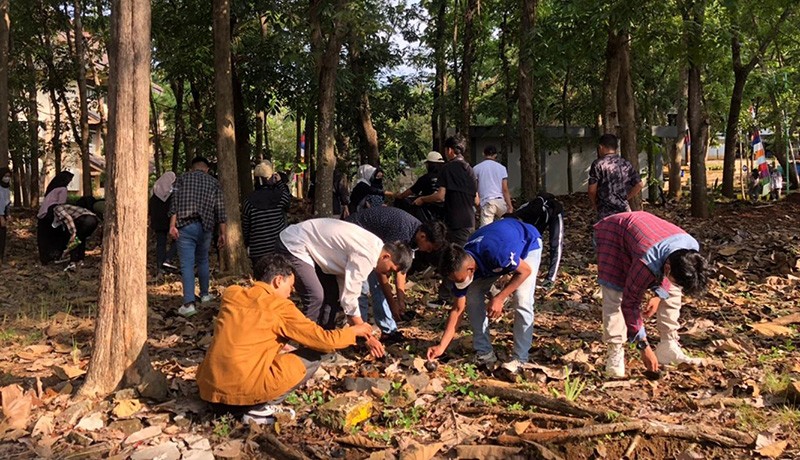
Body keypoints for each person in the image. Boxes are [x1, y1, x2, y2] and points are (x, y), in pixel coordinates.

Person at [196, 254, 384, 425]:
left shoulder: (232, 294)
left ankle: (243, 405)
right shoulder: (280, 306)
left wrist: (280, 345)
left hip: (209, 391)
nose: (292, 292)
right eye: (290, 286)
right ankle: (258, 409)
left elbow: (247, 333)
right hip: (242, 395)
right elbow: (323, 340)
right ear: (278, 281)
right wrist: (354, 331)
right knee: (313, 355)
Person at [594, 211, 709, 379]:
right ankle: (615, 350)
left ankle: (668, 344)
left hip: (647, 235)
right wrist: (643, 347)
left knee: (674, 289)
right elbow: (630, 303)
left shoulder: (690, 250)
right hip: (613, 233)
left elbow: (669, 269)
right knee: (615, 291)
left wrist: (658, 295)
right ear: (668, 268)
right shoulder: (645, 261)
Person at [427, 218, 542, 374]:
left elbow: (525, 271)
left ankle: (520, 359)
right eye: (454, 280)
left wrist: (500, 298)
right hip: (496, 257)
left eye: (460, 280)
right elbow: (457, 309)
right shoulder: (458, 268)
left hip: (527, 243)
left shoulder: (496, 253)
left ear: (470, 269)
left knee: (522, 299)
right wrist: (441, 346)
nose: (458, 283)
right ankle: (484, 353)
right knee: (473, 295)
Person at [276, 218, 413, 337]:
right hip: (295, 243)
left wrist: (356, 324)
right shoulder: (367, 255)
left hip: (311, 249)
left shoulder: (376, 246)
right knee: (315, 296)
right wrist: (364, 332)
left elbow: (345, 290)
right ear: (386, 257)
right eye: (390, 269)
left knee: (332, 294)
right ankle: (306, 345)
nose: (388, 274)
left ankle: (324, 341)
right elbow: (350, 297)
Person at [346, 207, 448, 341]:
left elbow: (401, 269)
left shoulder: (415, 236)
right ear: (423, 237)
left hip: (375, 246)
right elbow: (382, 272)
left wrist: (400, 301)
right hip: (355, 237)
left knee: (378, 288)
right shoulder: (401, 233)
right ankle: (361, 333)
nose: (428, 251)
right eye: (429, 247)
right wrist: (392, 303)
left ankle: (387, 330)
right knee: (363, 288)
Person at [415, 135, 478, 307]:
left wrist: (422, 199)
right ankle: (462, 294)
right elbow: (477, 200)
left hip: (454, 220)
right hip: (469, 220)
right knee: (464, 257)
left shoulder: (448, 168)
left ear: (449, 150)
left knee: (450, 259)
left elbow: (440, 196)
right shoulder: (470, 170)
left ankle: (446, 297)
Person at [169, 157, 227, 317]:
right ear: (207, 169)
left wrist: (172, 226)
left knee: (187, 264)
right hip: (206, 228)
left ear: (192, 168)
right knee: (203, 260)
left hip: (185, 227)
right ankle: (205, 294)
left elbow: (174, 204)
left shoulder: (181, 180)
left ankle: (188, 304)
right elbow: (220, 210)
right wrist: (223, 233)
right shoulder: (214, 183)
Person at [243, 161, 292, 269]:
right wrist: (280, 184)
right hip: (278, 247)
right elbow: (288, 204)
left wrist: (246, 244)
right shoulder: (280, 197)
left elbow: (246, 227)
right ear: (271, 178)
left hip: (258, 250)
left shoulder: (248, 201)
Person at [509, 192, 564, 286]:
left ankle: (551, 278)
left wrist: (551, 278)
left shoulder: (553, 210)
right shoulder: (523, 210)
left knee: (555, 243)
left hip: (551, 215)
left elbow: (556, 244)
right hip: (526, 223)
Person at [588, 133, 643, 221]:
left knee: (604, 234)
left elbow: (592, 190)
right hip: (624, 211)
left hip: (605, 212)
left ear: (601, 147)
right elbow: (639, 184)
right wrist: (626, 198)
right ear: (616, 148)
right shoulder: (626, 164)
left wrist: (595, 204)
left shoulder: (598, 165)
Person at [395, 151, 445, 222]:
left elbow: (411, 191)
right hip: (444, 212)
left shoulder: (425, 178)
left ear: (430, 165)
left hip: (428, 210)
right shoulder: (446, 177)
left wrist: (400, 196)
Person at [37, 171, 74, 265]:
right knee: (59, 235)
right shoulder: (62, 189)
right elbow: (61, 205)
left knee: (44, 237)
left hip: (43, 214)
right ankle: (56, 255)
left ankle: (44, 258)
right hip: (52, 214)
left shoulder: (52, 188)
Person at [473, 145, 513, 227]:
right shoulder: (502, 168)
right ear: (495, 155)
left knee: (486, 230)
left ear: (483, 154)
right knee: (504, 226)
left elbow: (475, 188)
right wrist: (510, 205)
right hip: (500, 201)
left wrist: (477, 205)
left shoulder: (476, 168)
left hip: (487, 202)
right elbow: (505, 189)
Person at [52, 204, 100, 271]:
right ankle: (81, 260)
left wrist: (73, 233)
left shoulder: (57, 208)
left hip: (85, 219)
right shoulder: (67, 207)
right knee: (80, 239)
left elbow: (68, 218)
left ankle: (72, 263)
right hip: (94, 220)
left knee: (74, 239)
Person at [149, 171, 178, 276]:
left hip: (157, 222)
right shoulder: (173, 193)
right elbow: (174, 208)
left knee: (161, 243)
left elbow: (150, 209)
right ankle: (168, 259)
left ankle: (160, 266)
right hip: (170, 222)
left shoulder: (154, 193)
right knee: (178, 240)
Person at [0, 167, 11, 264]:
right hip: (0, 214)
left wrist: (8, 214)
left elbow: (7, 202)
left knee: (2, 236)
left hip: (4, 213)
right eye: (5, 176)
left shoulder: (7, 188)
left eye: (8, 176)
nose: (7, 178)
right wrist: (1, 216)